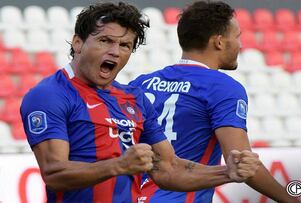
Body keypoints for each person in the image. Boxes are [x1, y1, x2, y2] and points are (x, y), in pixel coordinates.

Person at [20, 2, 261, 203]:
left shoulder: (134, 98)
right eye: (105, 40)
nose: (115, 51)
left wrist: (227, 172)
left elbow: (168, 168)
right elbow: (54, 173)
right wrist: (119, 165)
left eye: (124, 45)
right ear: (78, 43)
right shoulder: (50, 94)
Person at [129, 1, 300, 203]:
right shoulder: (223, 87)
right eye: (237, 37)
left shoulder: (140, 83)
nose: (240, 45)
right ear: (219, 42)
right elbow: (242, 162)